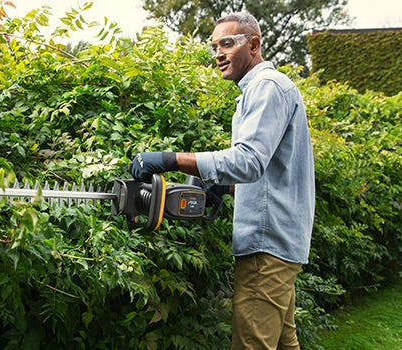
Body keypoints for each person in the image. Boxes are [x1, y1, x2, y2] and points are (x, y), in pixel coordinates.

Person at [129, 11, 315, 350]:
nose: (218, 53)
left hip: (266, 246)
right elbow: (273, 170)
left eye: (227, 44)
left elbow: (248, 160)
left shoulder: (266, 87)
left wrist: (170, 160)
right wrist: (225, 187)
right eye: (215, 46)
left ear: (254, 44)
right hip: (280, 241)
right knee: (286, 343)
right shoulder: (265, 89)